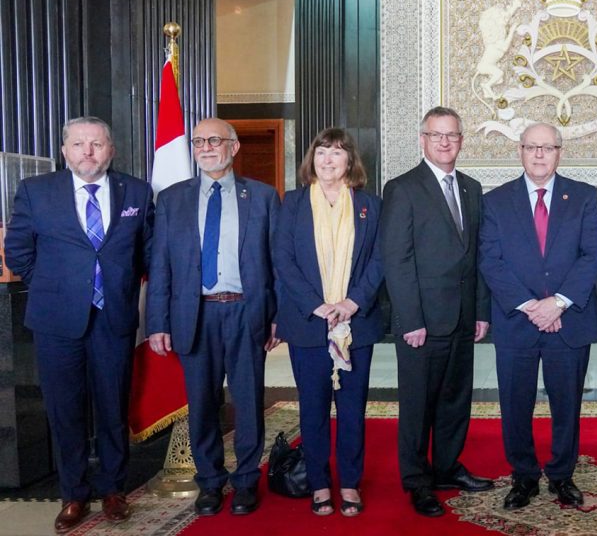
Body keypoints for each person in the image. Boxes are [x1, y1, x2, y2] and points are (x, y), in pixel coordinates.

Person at [4, 116, 154, 532]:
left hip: (115, 318)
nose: (88, 152)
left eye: (97, 144)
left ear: (111, 149)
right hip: (56, 321)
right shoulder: (36, 191)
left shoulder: (137, 192)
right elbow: (19, 252)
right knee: (64, 410)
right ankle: (73, 493)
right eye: (79, 144)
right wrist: (56, 287)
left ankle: (113, 489)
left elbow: (146, 254)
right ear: (65, 150)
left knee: (112, 407)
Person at [146, 117, 280, 517]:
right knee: (202, 404)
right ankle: (209, 482)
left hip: (246, 312)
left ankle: (245, 483)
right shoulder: (172, 199)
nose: (205, 147)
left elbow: (277, 263)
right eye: (199, 141)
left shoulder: (262, 197)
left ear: (233, 148)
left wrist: (278, 317)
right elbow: (162, 265)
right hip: (195, 314)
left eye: (214, 140)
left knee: (249, 402)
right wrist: (157, 321)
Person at [478, 123, 597, 510]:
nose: (538, 154)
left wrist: (559, 302)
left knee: (567, 404)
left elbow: (592, 254)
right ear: (519, 151)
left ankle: (563, 475)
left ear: (559, 152)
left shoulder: (583, 196)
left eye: (547, 147)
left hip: (568, 322)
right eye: (531, 147)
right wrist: (532, 306)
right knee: (516, 404)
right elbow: (490, 259)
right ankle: (524, 476)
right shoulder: (496, 200)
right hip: (517, 322)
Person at [380, 106, 493, 517]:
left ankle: (446, 468)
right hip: (421, 323)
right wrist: (410, 320)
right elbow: (397, 260)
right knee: (417, 405)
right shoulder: (403, 188)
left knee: (454, 400)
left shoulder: (472, 188)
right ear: (422, 140)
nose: (445, 142)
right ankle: (417, 480)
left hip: (463, 319)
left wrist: (481, 311)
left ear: (461, 141)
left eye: (452, 135)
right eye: (436, 135)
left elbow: (476, 255)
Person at [275, 128, 383, 517]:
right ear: (312, 159)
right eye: (321, 151)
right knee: (313, 409)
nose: (328, 159)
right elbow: (283, 259)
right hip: (309, 325)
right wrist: (317, 305)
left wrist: (353, 302)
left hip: (357, 323)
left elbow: (380, 260)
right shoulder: (294, 202)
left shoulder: (370, 204)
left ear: (349, 161)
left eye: (337, 152)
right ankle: (319, 483)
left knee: (353, 409)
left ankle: (350, 483)